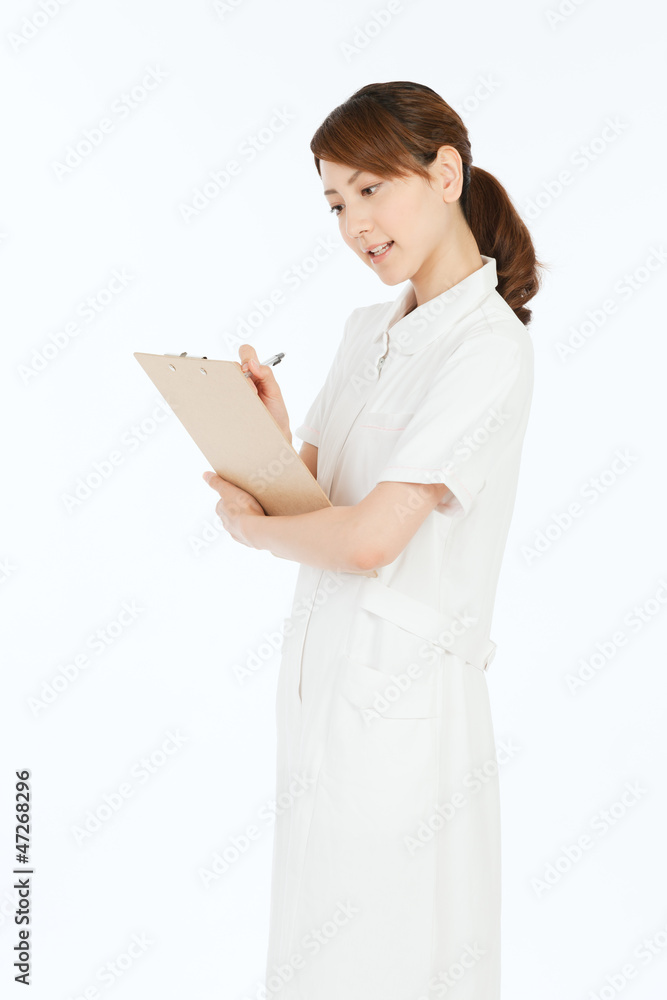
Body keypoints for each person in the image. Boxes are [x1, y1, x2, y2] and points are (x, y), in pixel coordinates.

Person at [203, 80, 545, 1000]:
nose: (355, 221)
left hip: (407, 694)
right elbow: (317, 492)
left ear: (444, 173)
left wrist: (256, 530)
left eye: (369, 188)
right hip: (326, 677)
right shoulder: (367, 331)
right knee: (320, 948)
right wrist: (263, 445)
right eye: (334, 202)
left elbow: (366, 542)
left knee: (393, 955)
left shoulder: (484, 346)